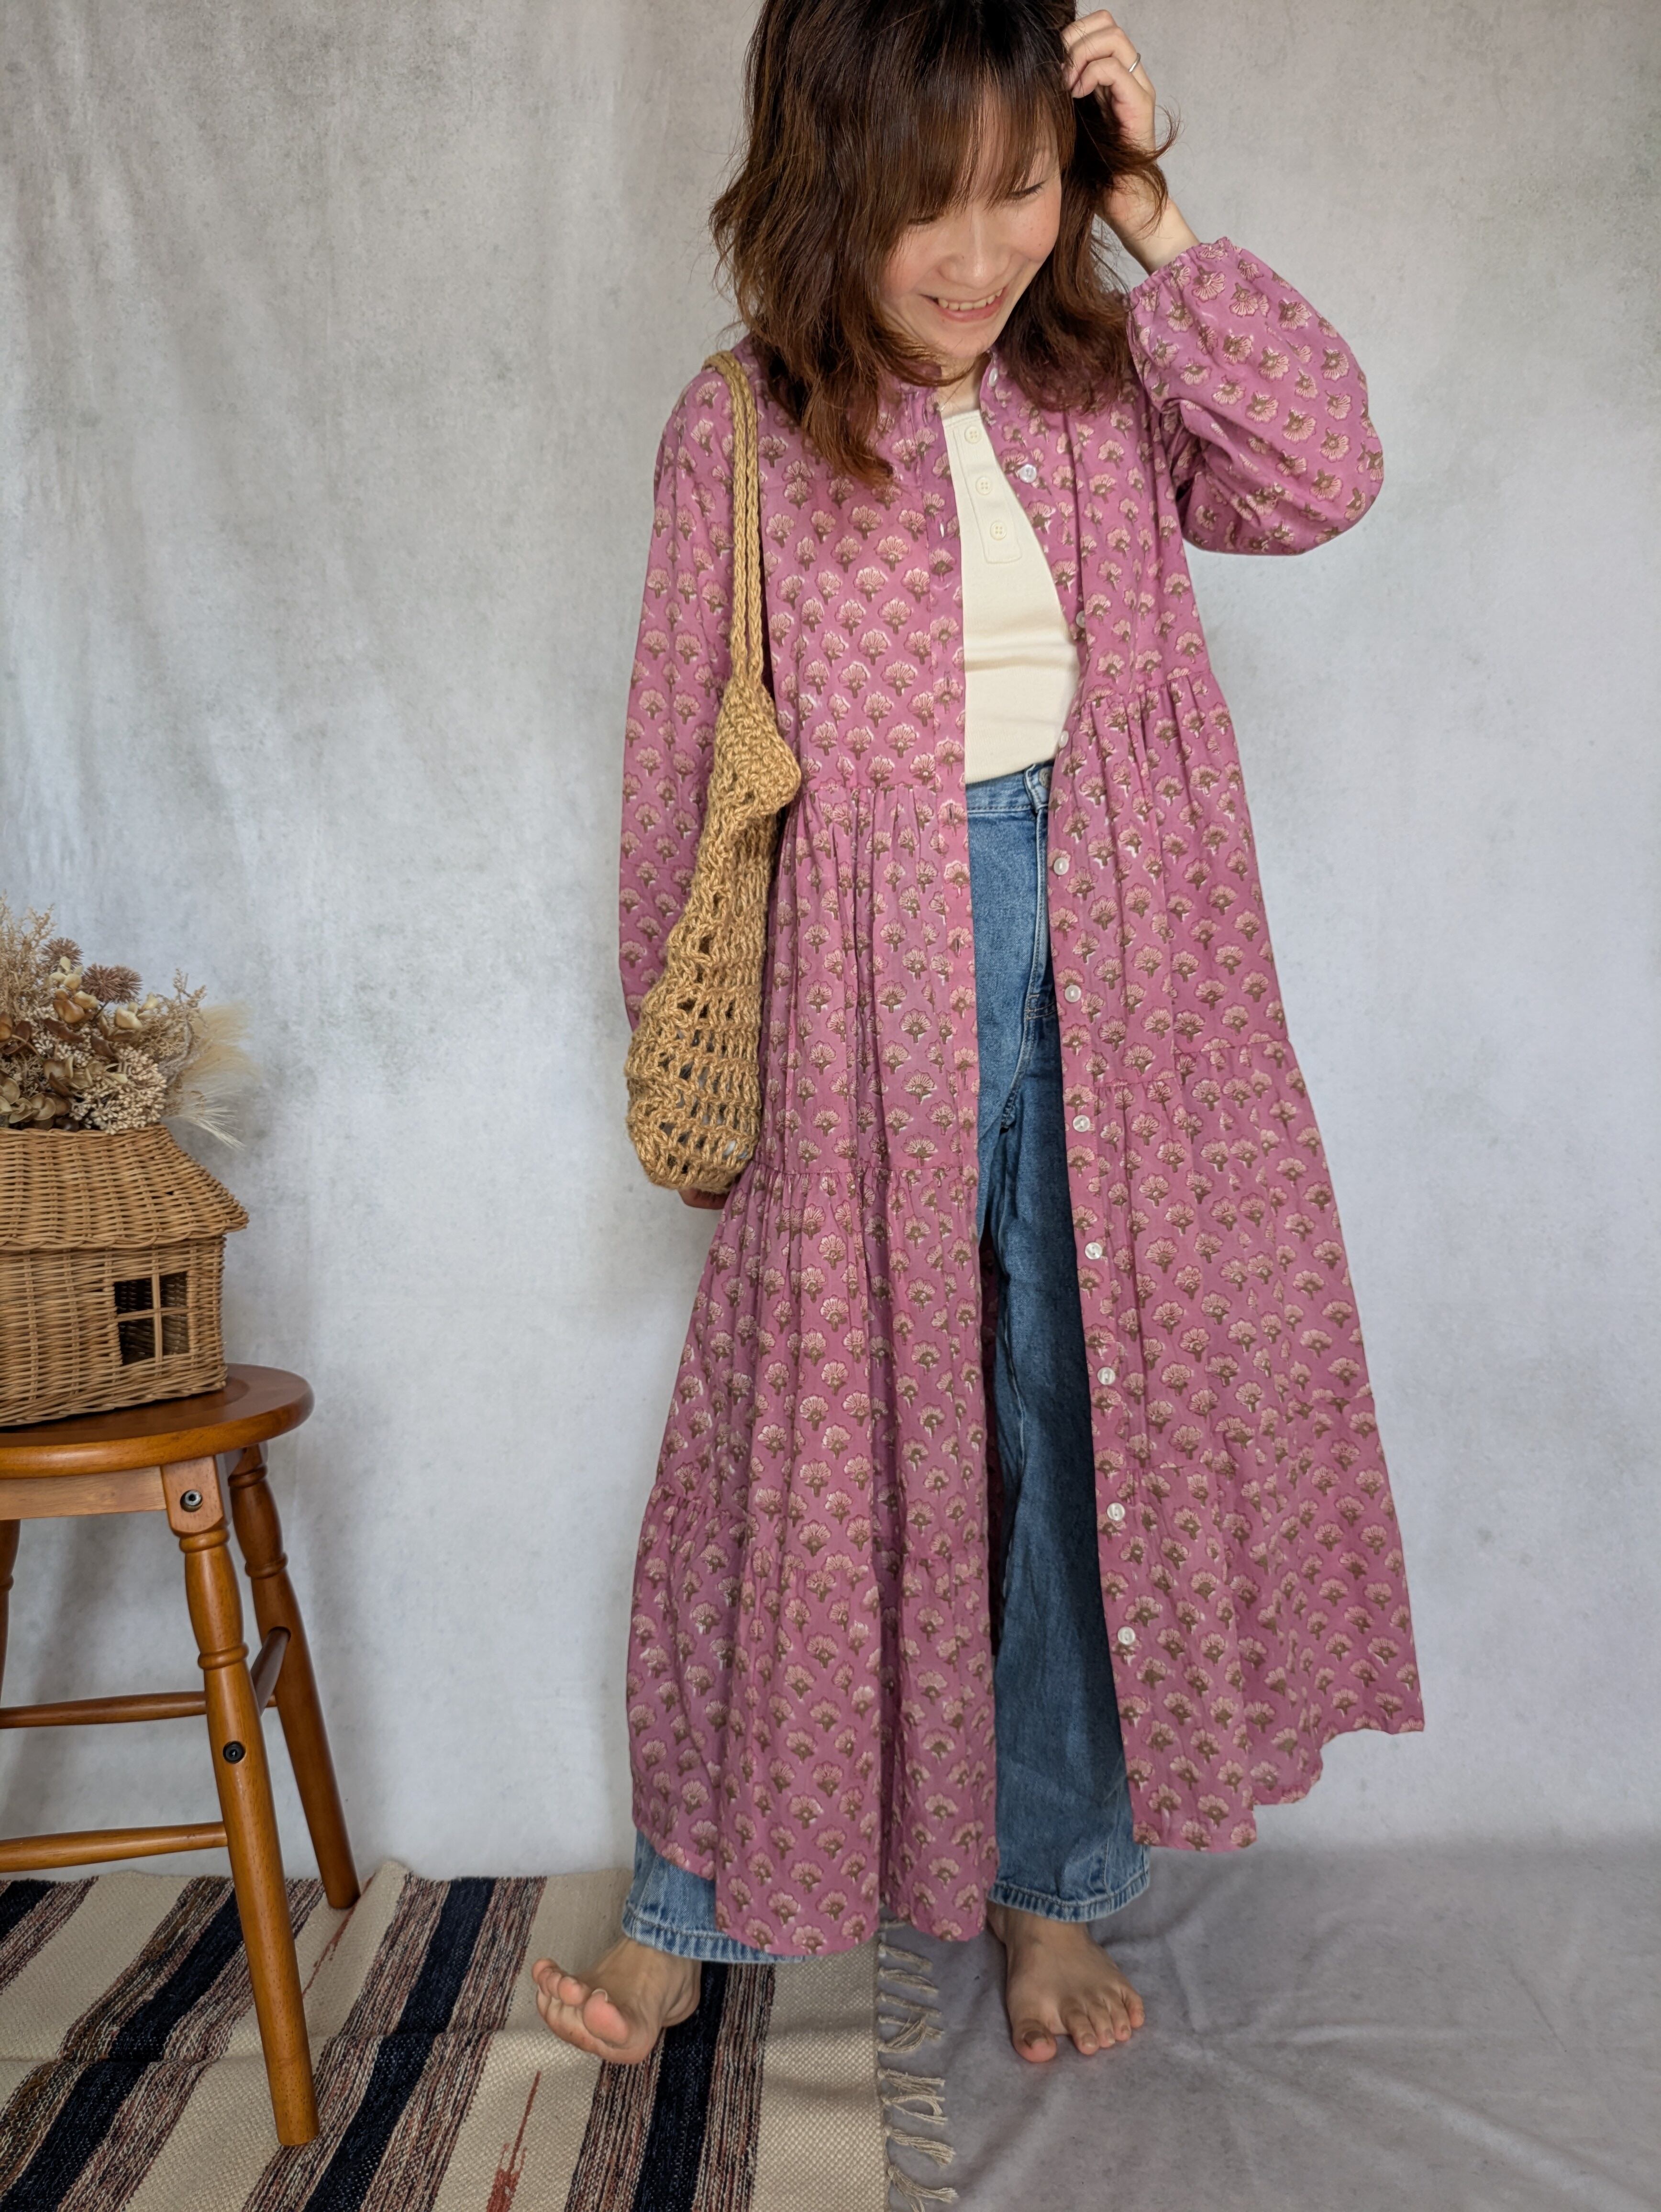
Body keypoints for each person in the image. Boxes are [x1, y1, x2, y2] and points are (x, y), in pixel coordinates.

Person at [536, 0, 1423, 2067]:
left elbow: (1325, 472)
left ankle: (1051, 1885)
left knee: (1083, 1430)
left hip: (1135, 952)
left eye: (1020, 191)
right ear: (823, 188)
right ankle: (692, 1904)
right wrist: (689, 1044)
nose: (972, 252)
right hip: (858, 990)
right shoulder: (741, 427)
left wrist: (1155, 212)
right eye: (921, 203)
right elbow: (676, 761)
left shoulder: (1113, 376)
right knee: (815, 1442)